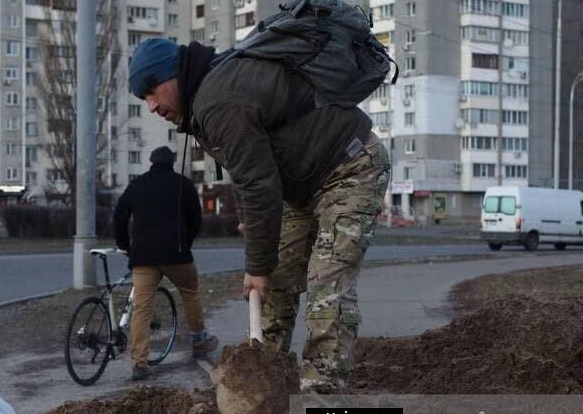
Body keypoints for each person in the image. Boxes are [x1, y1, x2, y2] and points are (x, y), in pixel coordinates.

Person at [129, 36, 391, 393]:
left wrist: (256, 266)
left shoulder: (216, 100)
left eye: (151, 90)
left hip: (351, 165)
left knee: (326, 282)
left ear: (173, 74)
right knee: (276, 281)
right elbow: (254, 170)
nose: (151, 105)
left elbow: (258, 184)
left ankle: (322, 398)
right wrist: (260, 239)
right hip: (302, 187)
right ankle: (259, 387)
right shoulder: (210, 93)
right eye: (143, 98)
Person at [113, 145, 218, 381]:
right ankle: (199, 341)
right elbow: (195, 219)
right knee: (190, 291)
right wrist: (186, 243)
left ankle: (139, 363)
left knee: (141, 307)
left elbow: (119, 214)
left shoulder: (138, 184)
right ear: (172, 162)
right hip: (176, 254)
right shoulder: (183, 184)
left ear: (150, 161)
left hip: (143, 257)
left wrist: (126, 245)